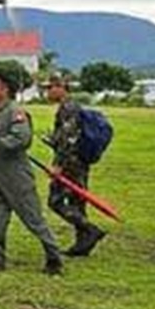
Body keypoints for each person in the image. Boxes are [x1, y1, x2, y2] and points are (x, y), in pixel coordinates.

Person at [0, 69, 63, 275]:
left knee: (32, 218)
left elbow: (21, 140)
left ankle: (54, 257)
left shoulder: (16, 113)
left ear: (5, 90)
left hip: (16, 174)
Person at [42, 75, 106, 257]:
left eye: (50, 88)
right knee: (78, 202)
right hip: (80, 161)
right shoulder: (71, 107)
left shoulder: (68, 108)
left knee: (55, 201)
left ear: (61, 87)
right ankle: (83, 244)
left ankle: (90, 229)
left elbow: (69, 139)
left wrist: (58, 165)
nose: (48, 92)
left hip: (71, 163)